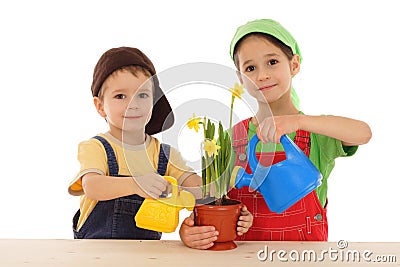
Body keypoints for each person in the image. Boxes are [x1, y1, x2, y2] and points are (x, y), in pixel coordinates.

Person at [180, 19, 371, 242]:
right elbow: (210, 205)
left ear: (294, 65)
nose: (262, 75)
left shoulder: (315, 133)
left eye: (272, 61)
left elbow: (363, 133)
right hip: (242, 259)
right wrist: (190, 232)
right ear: (240, 79)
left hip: (305, 257)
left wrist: (299, 122)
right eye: (250, 68)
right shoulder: (232, 138)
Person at [68, 47, 252, 242]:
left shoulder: (165, 155)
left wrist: (228, 197)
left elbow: (199, 191)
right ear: (100, 106)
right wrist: (135, 184)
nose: (133, 104)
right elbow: (93, 186)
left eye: (143, 95)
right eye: (120, 96)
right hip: (97, 254)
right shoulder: (96, 147)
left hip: (148, 255)